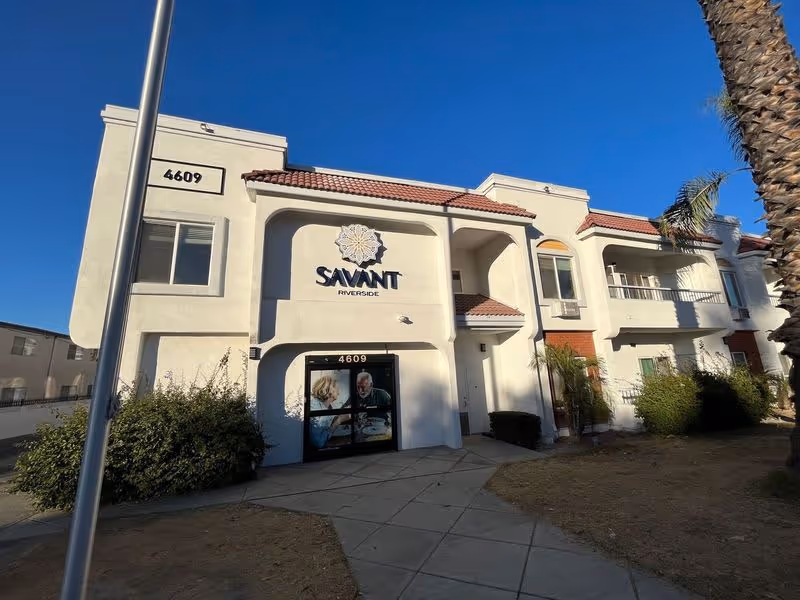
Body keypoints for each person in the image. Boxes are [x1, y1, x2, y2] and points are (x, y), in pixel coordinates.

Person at [309, 374, 350, 449]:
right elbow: (319, 443)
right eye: (337, 389)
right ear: (330, 390)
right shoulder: (315, 408)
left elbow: (327, 423)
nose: (338, 392)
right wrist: (338, 421)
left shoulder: (327, 406)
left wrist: (342, 415)